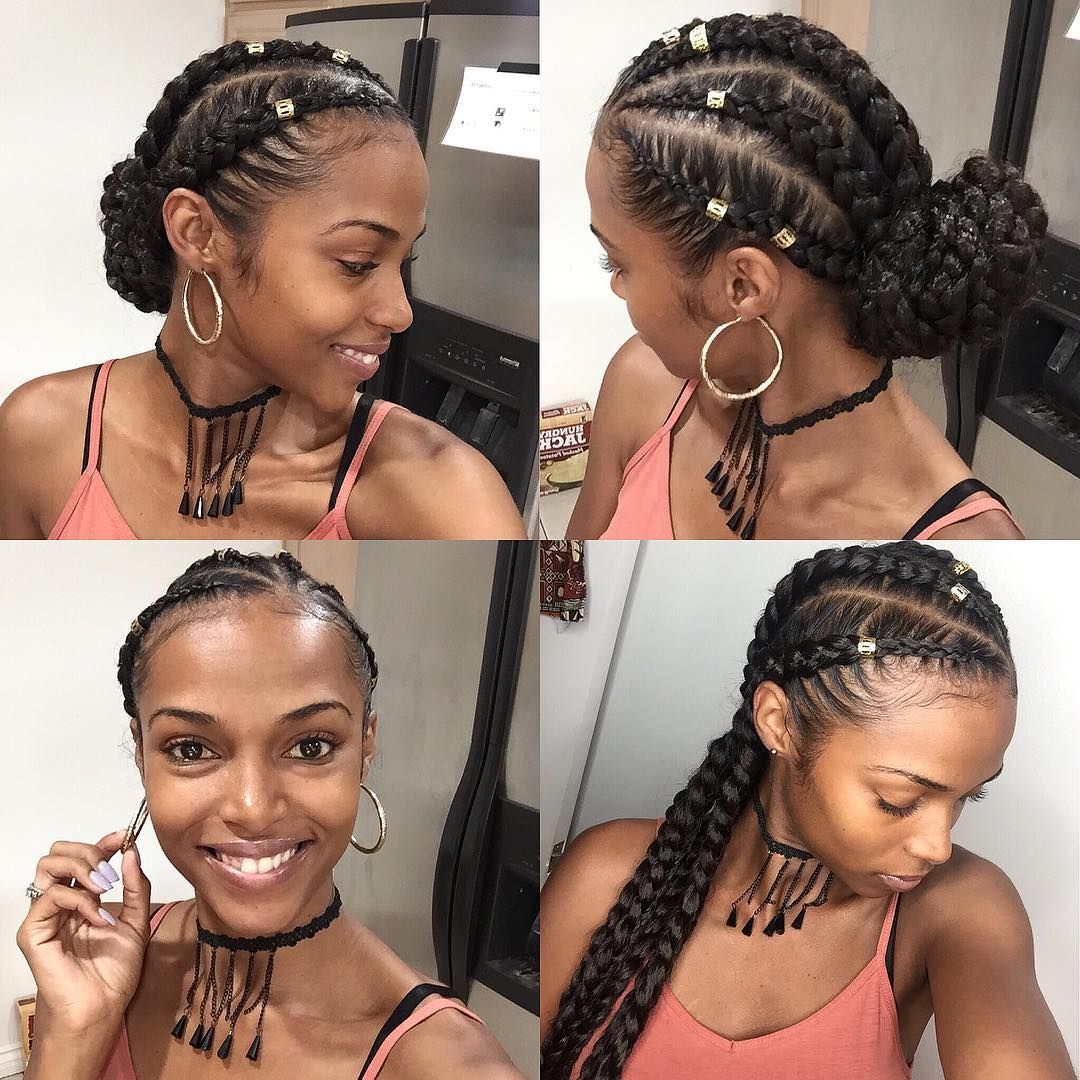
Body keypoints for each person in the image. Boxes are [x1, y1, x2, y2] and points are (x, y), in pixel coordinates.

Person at [540, 542, 1075, 1079]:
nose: (938, 846)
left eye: (966, 796)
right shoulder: (606, 876)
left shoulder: (956, 908)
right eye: (898, 800)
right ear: (779, 722)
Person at [17, 550, 523, 1079]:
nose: (253, 810)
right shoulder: (95, 960)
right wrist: (74, 1035)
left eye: (310, 747)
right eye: (191, 749)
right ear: (142, 753)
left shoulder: (450, 1065)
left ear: (365, 747)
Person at [0, 39, 525, 540]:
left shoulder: (445, 499)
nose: (400, 312)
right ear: (197, 233)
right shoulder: (40, 436)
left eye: (404, 261)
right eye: (357, 263)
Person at [566, 13, 1047, 541]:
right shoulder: (642, 388)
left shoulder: (962, 545)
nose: (616, 287)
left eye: (618, 264)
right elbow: (563, 576)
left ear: (744, 286)